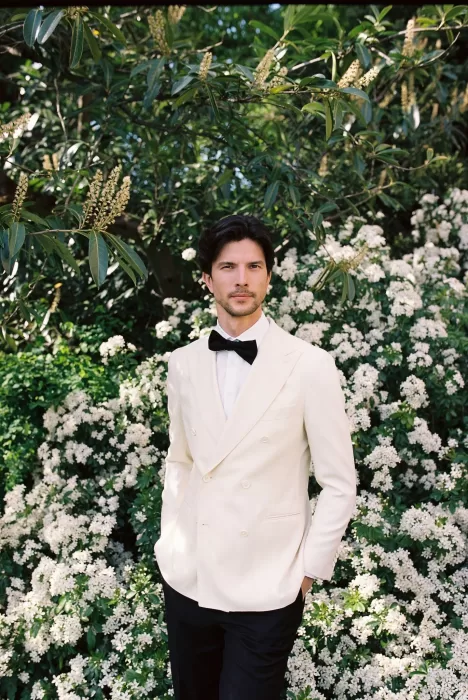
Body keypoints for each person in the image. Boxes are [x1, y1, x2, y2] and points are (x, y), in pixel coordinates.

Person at [154, 214, 357, 700]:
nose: (241, 279)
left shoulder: (310, 365)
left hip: (269, 584)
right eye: (228, 267)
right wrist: (171, 538)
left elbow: (338, 482)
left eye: (253, 266)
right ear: (208, 279)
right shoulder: (182, 363)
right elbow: (180, 459)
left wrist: (308, 570)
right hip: (189, 577)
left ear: (268, 276)